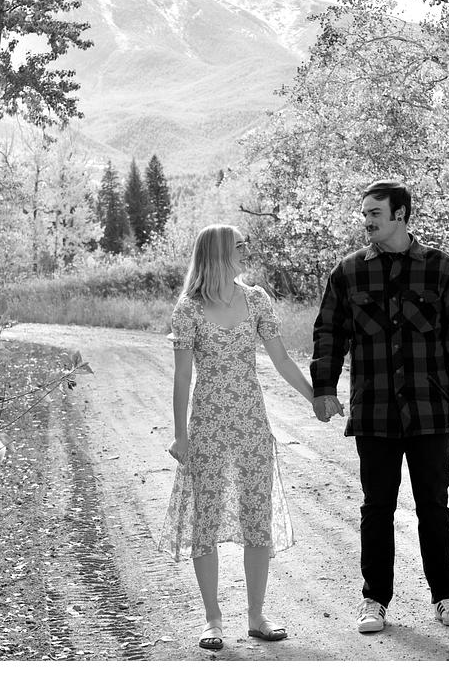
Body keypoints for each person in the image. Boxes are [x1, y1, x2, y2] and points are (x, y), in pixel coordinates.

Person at [310, 180, 449, 634]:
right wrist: (324, 387)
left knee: (434, 506)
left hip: (430, 409)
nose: (366, 221)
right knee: (377, 507)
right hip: (375, 409)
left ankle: (445, 595)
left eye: (375, 214)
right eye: (364, 213)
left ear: (400, 215)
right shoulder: (348, 272)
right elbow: (328, 334)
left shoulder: (440, 269)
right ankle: (374, 599)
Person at [158, 224, 314, 651]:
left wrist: (315, 397)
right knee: (205, 522)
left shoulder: (257, 299)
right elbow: (182, 377)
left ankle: (256, 616)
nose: (246, 251)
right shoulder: (189, 308)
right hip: (207, 427)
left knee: (256, 519)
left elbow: (281, 360)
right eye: (239, 246)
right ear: (219, 253)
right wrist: (180, 436)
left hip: (251, 425)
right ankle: (212, 619)